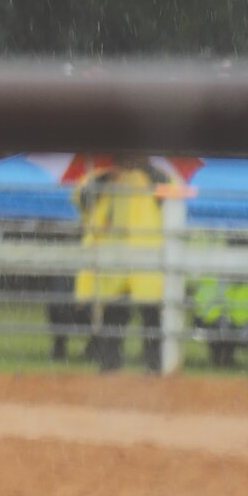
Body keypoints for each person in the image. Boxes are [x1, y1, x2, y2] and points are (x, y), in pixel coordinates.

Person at [72, 155, 169, 373]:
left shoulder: (156, 177)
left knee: (151, 315)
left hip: (146, 259)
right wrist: (105, 179)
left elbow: (170, 200)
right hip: (112, 261)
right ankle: (109, 366)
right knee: (113, 316)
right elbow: (83, 202)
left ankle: (154, 367)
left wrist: (147, 171)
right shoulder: (99, 179)